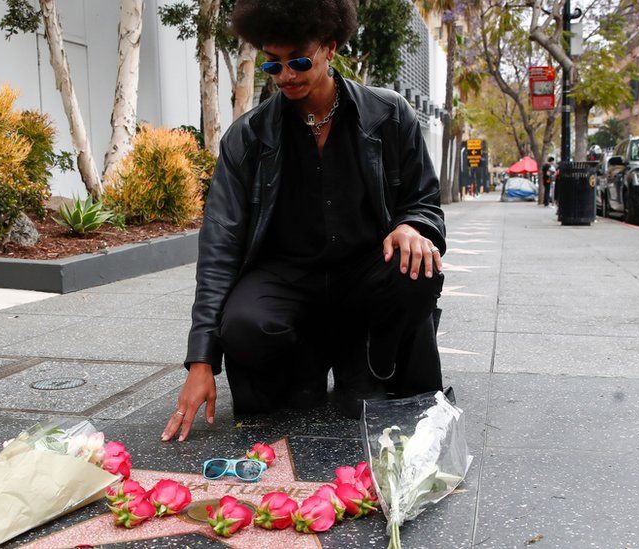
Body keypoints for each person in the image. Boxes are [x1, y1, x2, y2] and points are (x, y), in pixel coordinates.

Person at [162, 0, 446, 442]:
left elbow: (424, 200)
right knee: (243, 323)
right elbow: (219, 247)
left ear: (330, 48)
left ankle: (369, 367)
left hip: (365, 276)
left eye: (299, 60)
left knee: (418, 267)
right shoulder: (248, 136)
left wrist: (413, 225)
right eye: (272, 65)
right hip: (287, 278)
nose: (287, 76)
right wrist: (201, 361)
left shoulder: (389, 115)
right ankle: (302, 372)